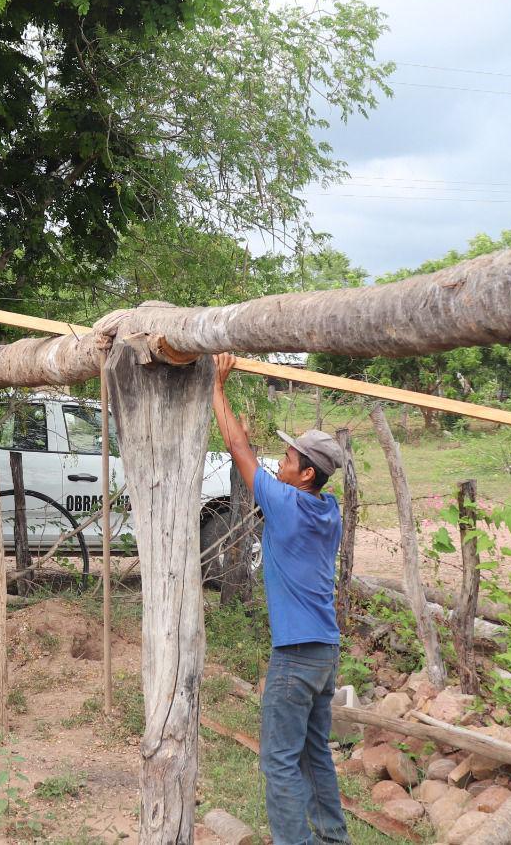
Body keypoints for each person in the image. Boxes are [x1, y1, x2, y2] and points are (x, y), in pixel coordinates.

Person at [211, 352, 349, 845]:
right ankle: (334, 841)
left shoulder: (287, 504)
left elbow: (235, 446)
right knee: (314, 755)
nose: (279, 463)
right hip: (325, 653)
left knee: (279, 761)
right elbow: (247, 450)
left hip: (295, 655)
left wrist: (218, 386)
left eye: (288, 460)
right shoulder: (328, 510)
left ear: (307, 475)